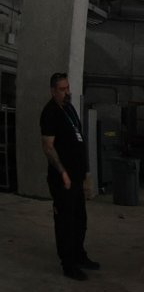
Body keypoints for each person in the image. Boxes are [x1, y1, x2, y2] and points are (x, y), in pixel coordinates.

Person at [40, 71, 99, 280]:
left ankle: (79, 255)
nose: (67, 92)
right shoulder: (50, 113)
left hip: (77, 175)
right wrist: (63, 173)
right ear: (53, 91)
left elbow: (78, 139)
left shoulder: (69, 108)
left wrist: (85, 175)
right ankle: (68, 264)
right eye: (62, 89)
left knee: (79, 219)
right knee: (66, 221)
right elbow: (48, 147)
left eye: (68, 88)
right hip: (62, 179)